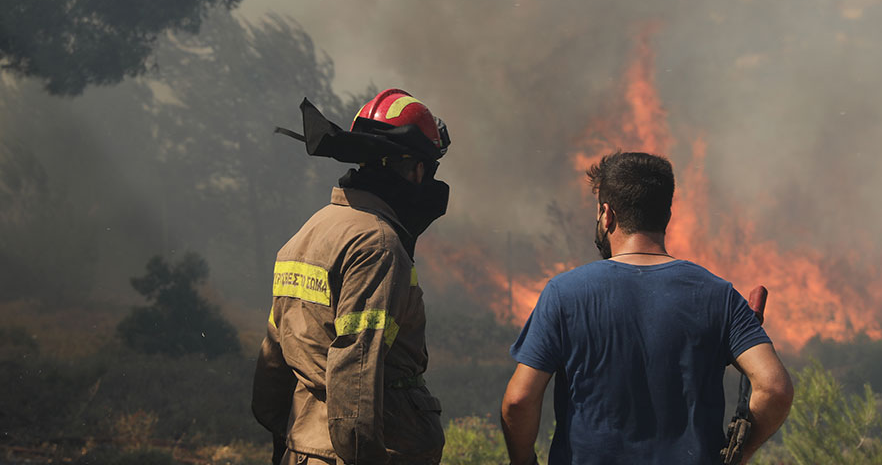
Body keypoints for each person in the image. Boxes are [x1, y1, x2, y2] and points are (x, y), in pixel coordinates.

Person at [500, 151, 793, 465]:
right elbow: (774, 388)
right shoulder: (718, 294)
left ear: (607, 214)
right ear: (665, 215)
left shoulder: (564, 293)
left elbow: (519, 401)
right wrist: (739, 454)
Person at [252, 89, 452, 465]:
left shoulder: (308, 233)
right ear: (418, 170)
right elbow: (355, 365)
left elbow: (272, 365)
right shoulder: (378, 244)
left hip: (306, 447)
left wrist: (292, 443)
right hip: (355, 453)